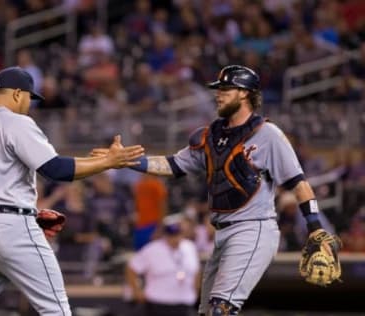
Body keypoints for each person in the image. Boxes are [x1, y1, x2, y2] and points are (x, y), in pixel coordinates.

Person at [92, 65, 337, 315]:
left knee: (221, 309)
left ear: (244, 93)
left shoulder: (268, 134)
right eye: (218, 89)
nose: (218, 94)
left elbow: (299, 183)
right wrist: (127, 161)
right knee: (209, 312)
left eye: (225, 89)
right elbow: (174, 164)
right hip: (221, 233)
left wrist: (316, 228)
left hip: (253, 228)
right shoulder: (211, 135)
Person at [0, 66, 144, 316]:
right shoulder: (15, 122)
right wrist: (108, 162)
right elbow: (55, 169)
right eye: (29, 98)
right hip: (8, 225)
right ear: (17, 94)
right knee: (56, 309)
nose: (30, 104)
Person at [126, 214, 200, 316]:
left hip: (185, 304)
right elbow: (132, 268)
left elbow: (196, 271)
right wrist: (137, 291)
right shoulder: (152, 249)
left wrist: (195, 291)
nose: (175, 238)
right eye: (172, 235)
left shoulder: (190, 247)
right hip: (157, 304)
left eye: (177, 234)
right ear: (165, 235)